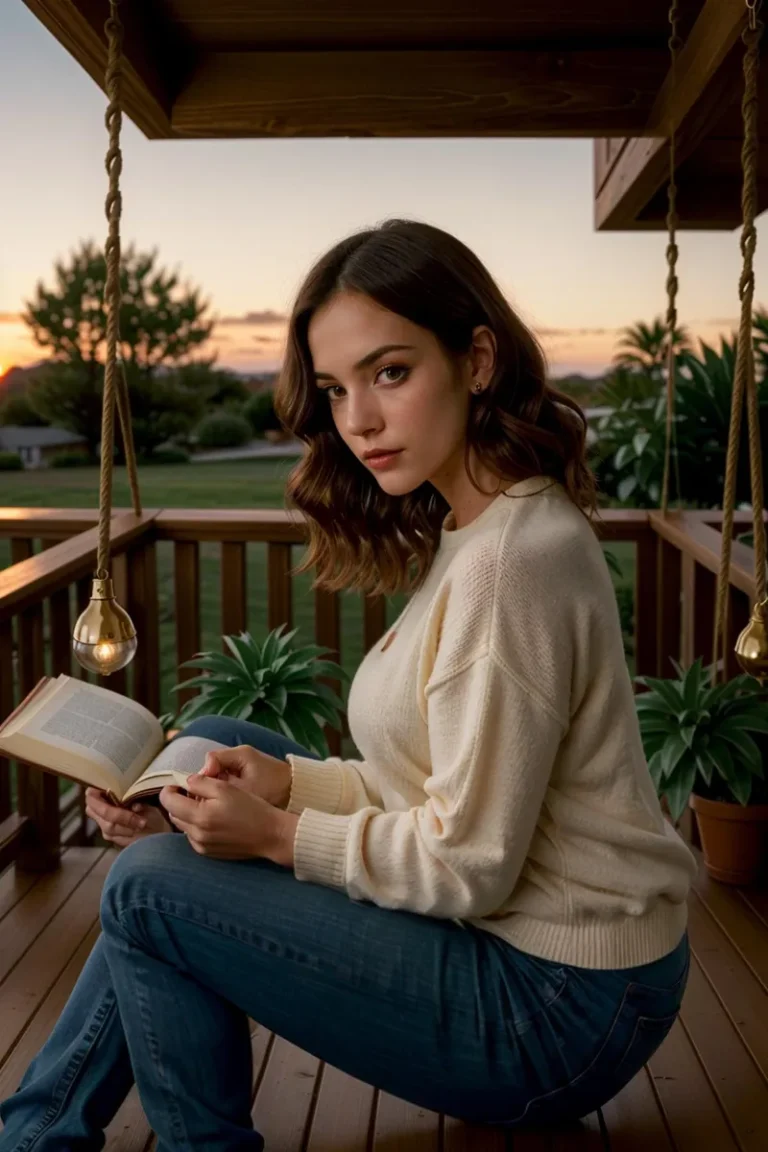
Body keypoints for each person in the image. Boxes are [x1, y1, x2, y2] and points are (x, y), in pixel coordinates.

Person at [0, 219, 696, 1152]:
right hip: (565, 954)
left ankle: (43, 1137)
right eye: (335, 389)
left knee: (146, 889)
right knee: (211, 741)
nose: (358, 419)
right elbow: (434, 786)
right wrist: (284, 787)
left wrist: (282, 835)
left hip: (559, 1005)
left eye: (390, 372)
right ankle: (36, 1134)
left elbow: (468, 863)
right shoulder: (483, 526)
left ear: (477, 359)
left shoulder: (508, 568)